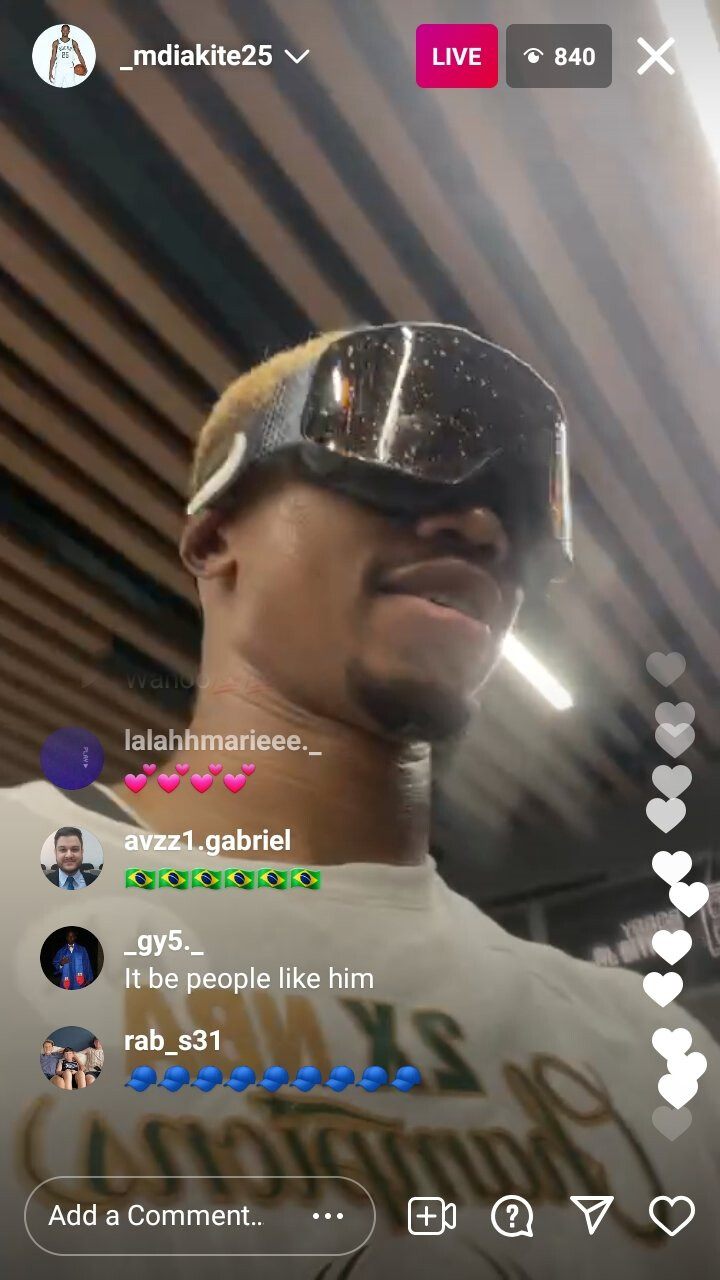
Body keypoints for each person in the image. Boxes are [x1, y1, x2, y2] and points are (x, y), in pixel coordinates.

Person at [4, 324, 720, 1277]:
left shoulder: (651, 1053)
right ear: (215, 538)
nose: (481, 529)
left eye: (516, 504)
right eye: (399, 457)